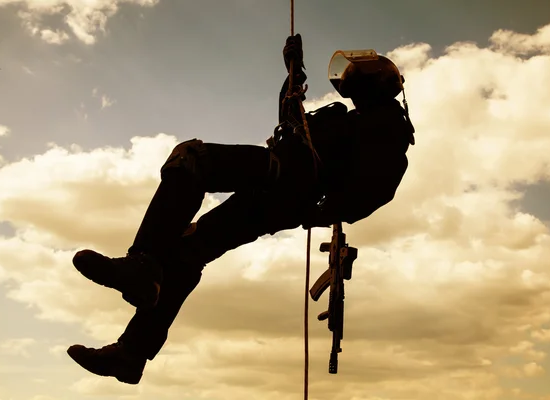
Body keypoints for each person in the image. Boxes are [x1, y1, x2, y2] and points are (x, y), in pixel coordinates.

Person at [66, 34, 415, 384]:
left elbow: (373, 191)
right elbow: (295, 127)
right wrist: (291, 77)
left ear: (375, 82)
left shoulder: (385, 125)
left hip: (284, 178)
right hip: (280, 194)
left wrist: (315, 209)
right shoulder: (352, 120)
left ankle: (141, 263)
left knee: (193, 159)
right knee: (186, 254)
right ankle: (131, 354)